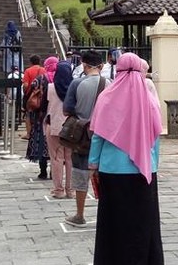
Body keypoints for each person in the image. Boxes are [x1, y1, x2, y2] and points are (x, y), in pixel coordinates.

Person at [89, 52, 164, 264]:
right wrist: (153, 164)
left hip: (112, 170)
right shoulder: (148, 98)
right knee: (143, 223)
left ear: (117, 68)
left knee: (113, 224)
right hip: (144, 170)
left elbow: (98, 136)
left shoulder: (107, 96)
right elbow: (155, 137)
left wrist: (93, 165)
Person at [63, 50, 109, 227]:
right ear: (101, 65)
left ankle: (80, 214)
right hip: (105, 134)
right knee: (103, 173)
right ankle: (105, 214)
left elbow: (67, 109)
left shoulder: (77, 83)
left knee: (81, 172)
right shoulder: (111, 84)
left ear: (84, 65)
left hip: (82, 134)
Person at [45, 61, 74, 199]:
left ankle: (58, 189)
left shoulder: (50, 87)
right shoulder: (74, 88)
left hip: (54, 125)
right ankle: (71, 190)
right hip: (72, 127)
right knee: (70, 159)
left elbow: (45, 106)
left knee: (56, 158)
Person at [24, 72, 50, 179]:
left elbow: (29, 91)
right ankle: (55, 172)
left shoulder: (41, 78)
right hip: (57, 118)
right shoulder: (62, 80)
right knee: (57, 149)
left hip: (40, 117)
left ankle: (43, 171)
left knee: (41, 144)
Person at [21, 55, 46, 139]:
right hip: (42, 95)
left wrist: (25, 92)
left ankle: (29, 134)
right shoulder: (44, 70)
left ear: (31, 62)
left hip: (31, 95)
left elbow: (25, 84)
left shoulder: (28, 70)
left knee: (28, 114)